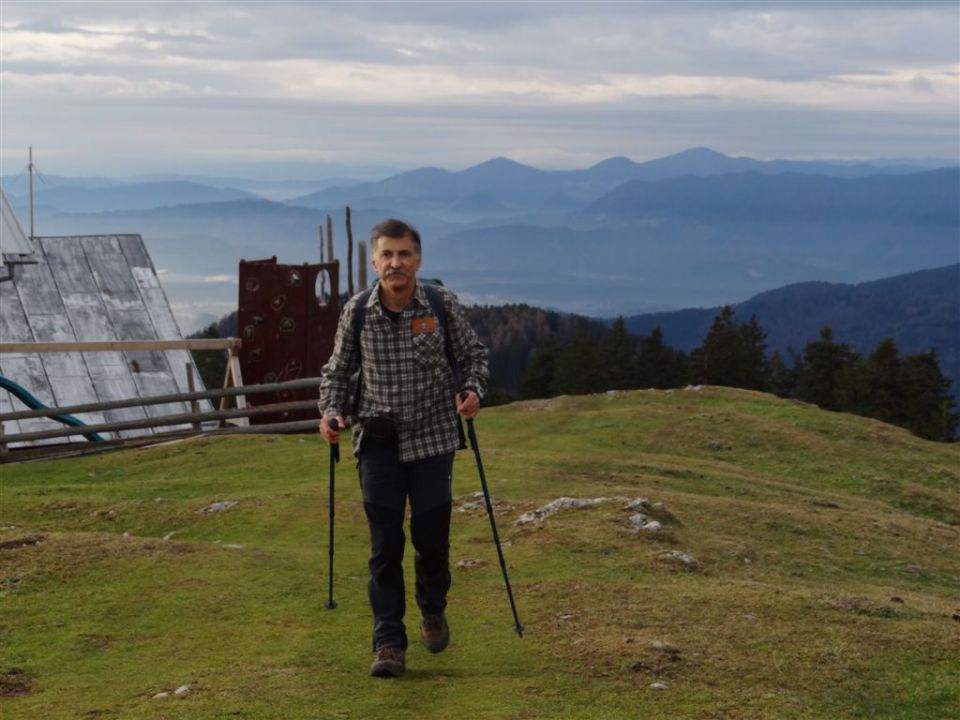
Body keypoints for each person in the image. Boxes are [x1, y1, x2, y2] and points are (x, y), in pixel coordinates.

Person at [318, 218, 489, 678]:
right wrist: (331, 412)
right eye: (387, 255)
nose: (396, 263)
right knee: (384, 544)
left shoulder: (441, 303)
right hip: (377, 440)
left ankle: (432, 607)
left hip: (434, 436)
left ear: (418, 259)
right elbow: (336, 372)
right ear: (374, 262)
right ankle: (389, 641)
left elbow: (473, 356)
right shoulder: (356, 312)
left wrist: (472, 390)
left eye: (404, 255)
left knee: (431, 540)